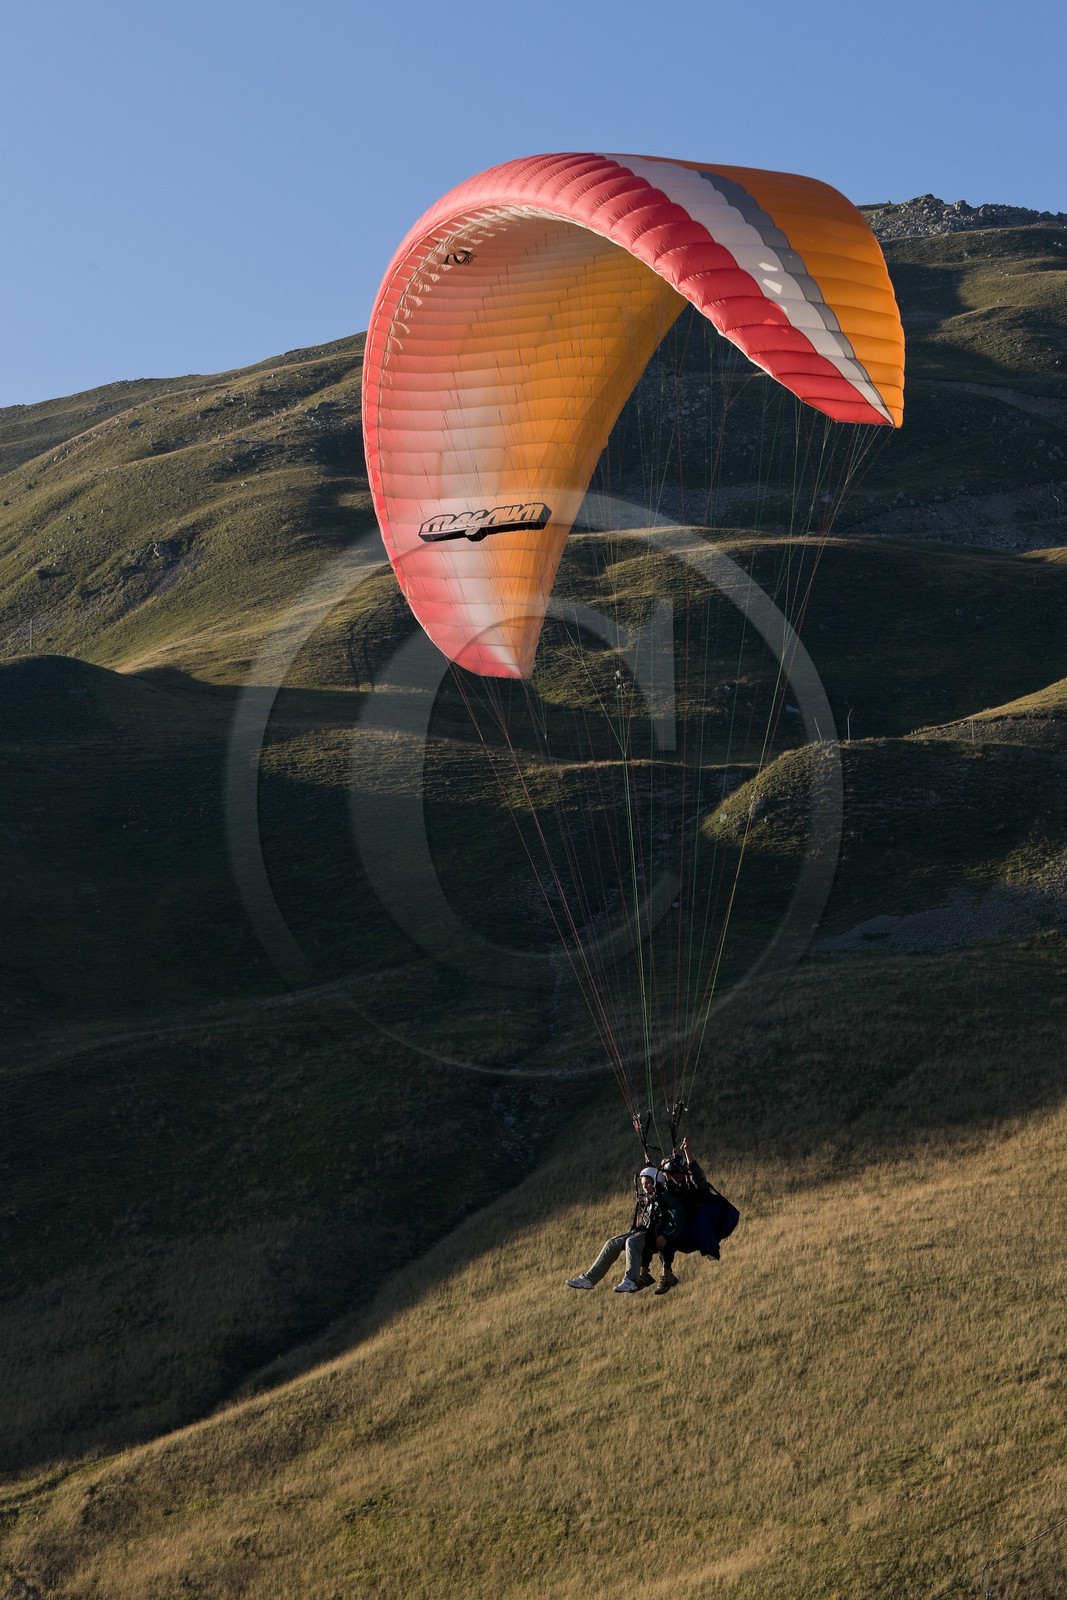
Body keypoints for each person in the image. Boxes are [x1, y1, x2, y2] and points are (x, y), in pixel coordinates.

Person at [567, 1166, 686, 1294]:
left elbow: (679, 1215)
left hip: (655, 1236)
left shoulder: (665, 1196)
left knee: (632, 1242)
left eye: (648, 1183)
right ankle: (588, 1279)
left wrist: (666, 1235)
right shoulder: (650, 1198)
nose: (645, 1186)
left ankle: (631, 1281)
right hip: (645, 1231)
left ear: (656, 1182)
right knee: (612, 1243)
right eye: (643, 1184)